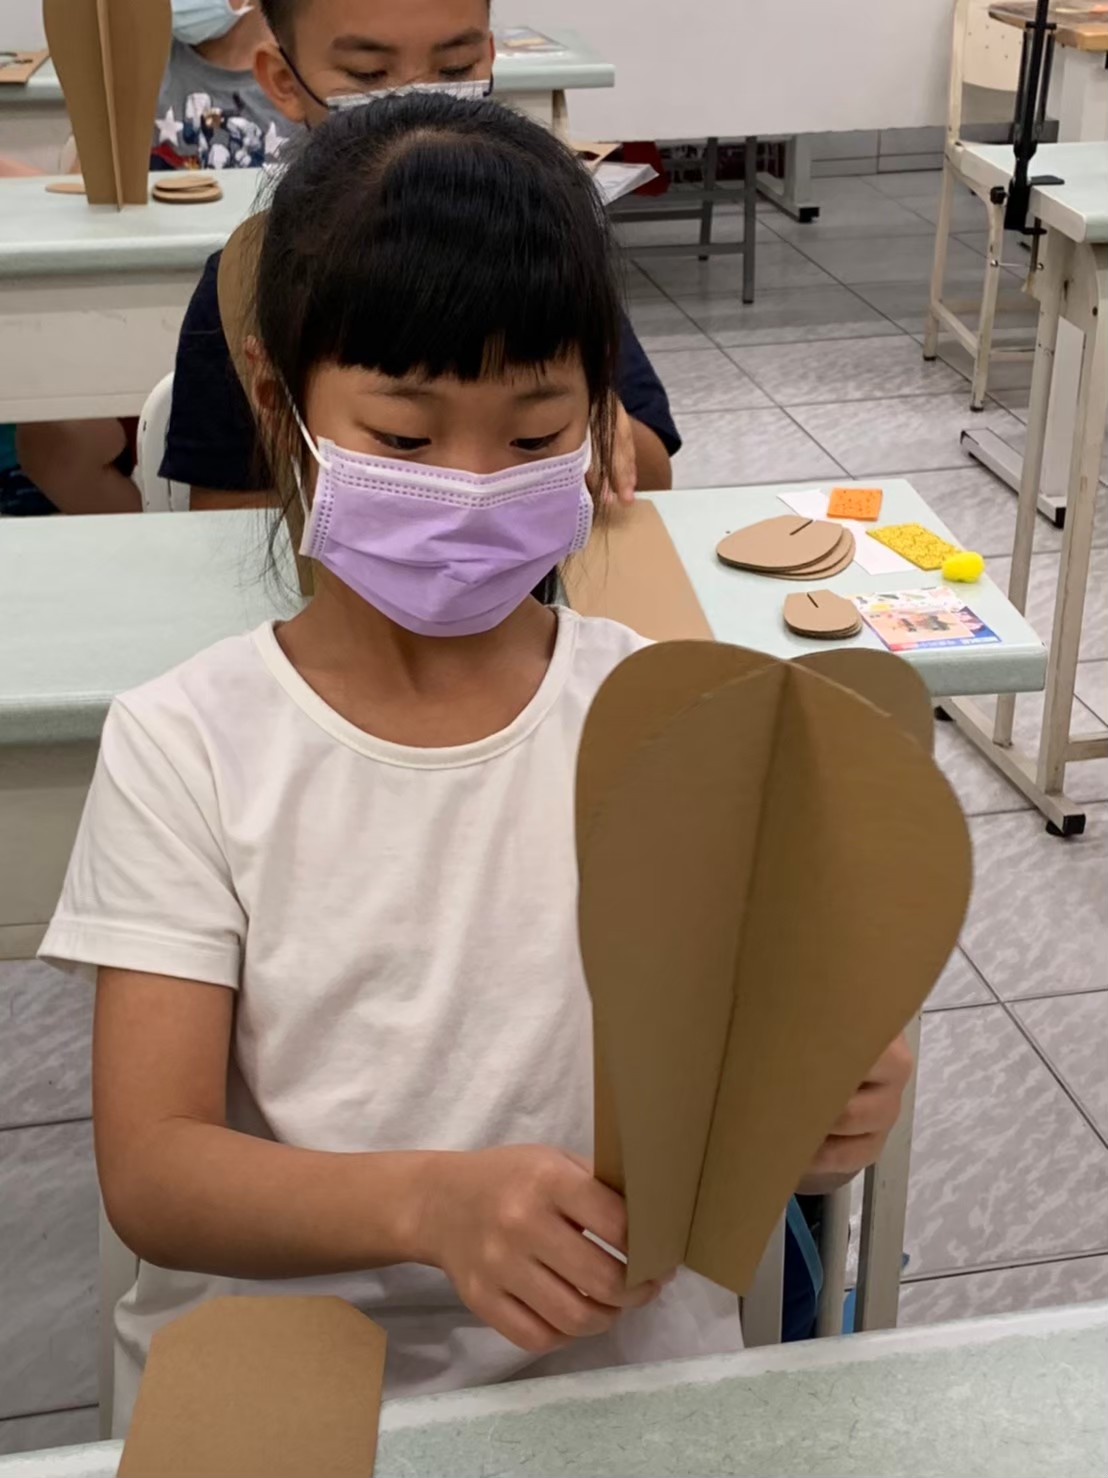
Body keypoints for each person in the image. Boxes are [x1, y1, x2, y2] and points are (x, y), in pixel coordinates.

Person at [41, 97, 911, 1434]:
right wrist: (428, 1202)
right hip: (300, 1368)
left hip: (622, 1359)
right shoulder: (189, 743)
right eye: (404, 439)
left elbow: (743, 1083)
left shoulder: (669, 720)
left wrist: (812, 1105)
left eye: (534, 434)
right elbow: (154, 1170)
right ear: (279, 402)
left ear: (600, 416)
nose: (470, 483)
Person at [160, 0, 681, 509]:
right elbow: (225, 514)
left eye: (455, 69)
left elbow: (653, 479)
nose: (416, 101)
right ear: (283, 80)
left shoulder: (548, 245)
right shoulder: (251, 281)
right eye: (367, 74)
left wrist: (592, 430)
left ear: (489, 57)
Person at [12, 1, 289, 515]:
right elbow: (86, 195)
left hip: (254, 327)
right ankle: (150, 536)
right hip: (132, 319)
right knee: (51, 442)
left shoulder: (297, 75)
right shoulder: (138, 64)